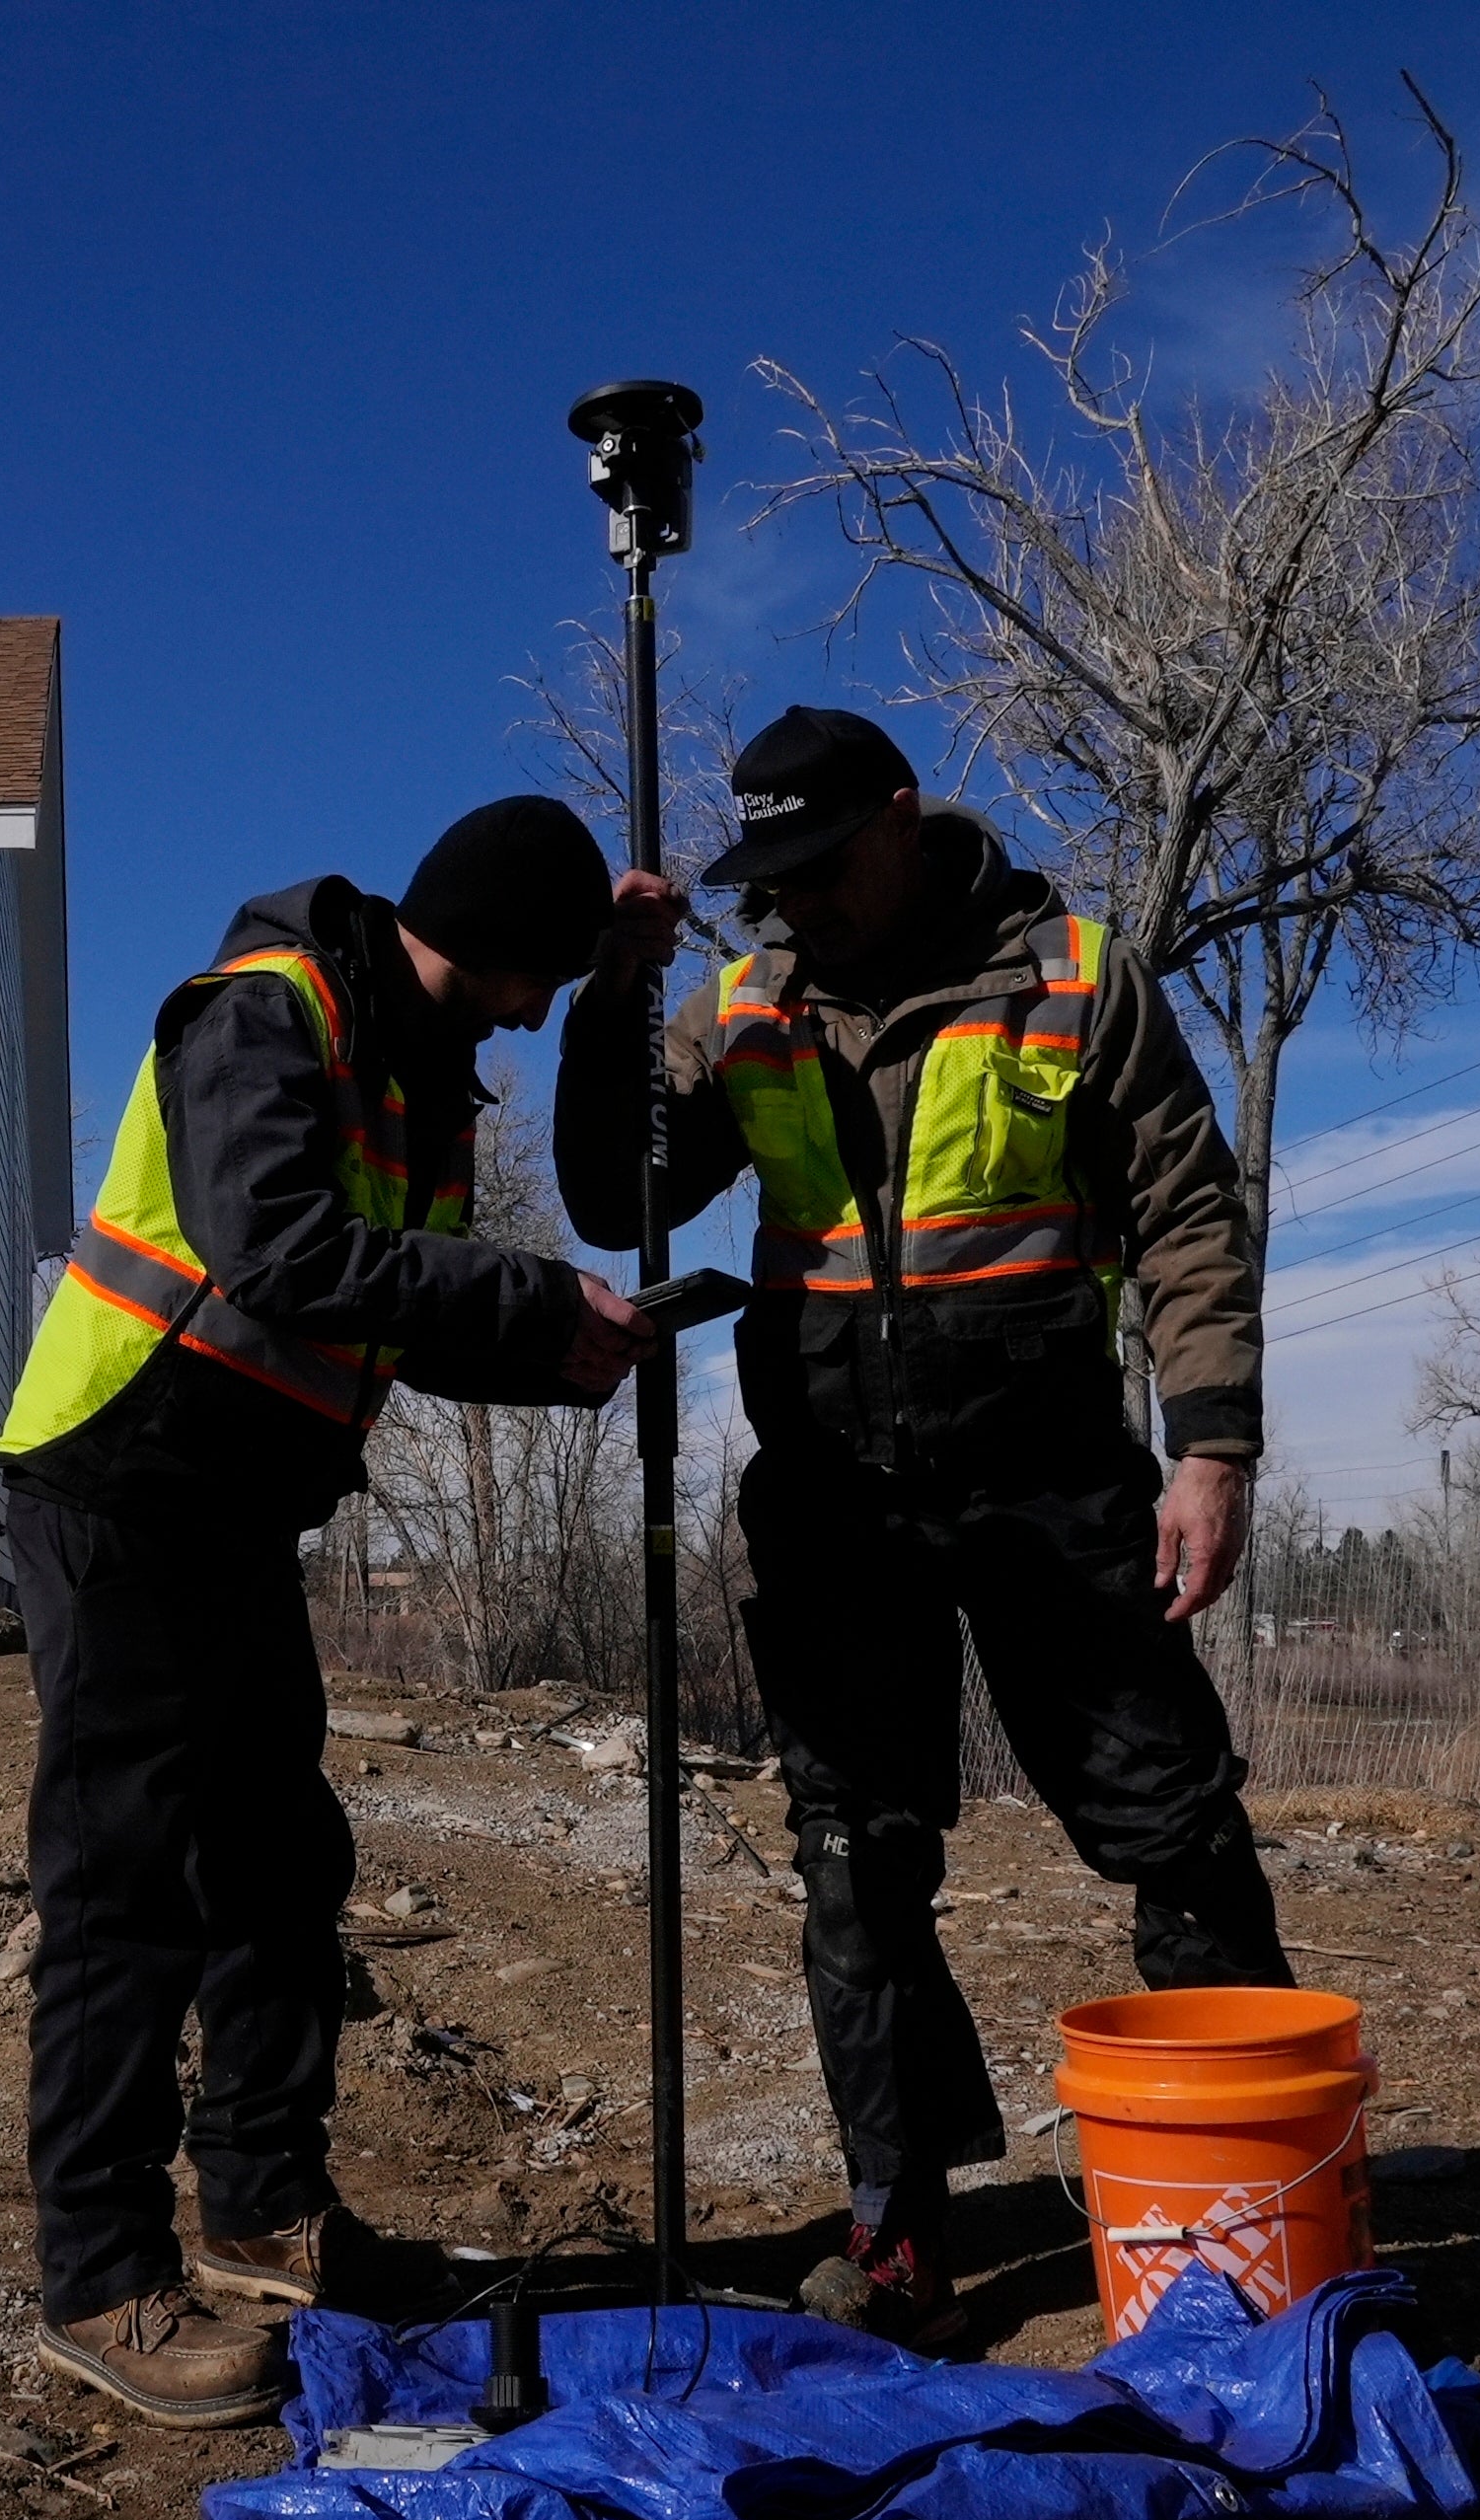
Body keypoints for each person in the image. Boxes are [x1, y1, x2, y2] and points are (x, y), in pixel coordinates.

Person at [555, 704, 1287, 2343]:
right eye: (769, 877)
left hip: (1052, 1487)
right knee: (853, 1861)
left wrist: (1212, 1448)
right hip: (833, 1499)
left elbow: (1182, 1209)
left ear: (900, 817)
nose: (791, 903)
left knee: (1174, 1828)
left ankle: (1245, 2196)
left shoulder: (1073, 975)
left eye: (817, 865)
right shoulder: (740, 1003)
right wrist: (610, 998)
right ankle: (900, 2225)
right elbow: (623, 1195)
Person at [0, 795, 662, 2428]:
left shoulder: (410, 1070)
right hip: (123, 1477)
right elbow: (284, 1255)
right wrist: (518, 1293)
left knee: (281, 1863)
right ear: (495, 945)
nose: (536, 1013)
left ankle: (262, 2211)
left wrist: (556, 1351)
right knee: (127, 1885)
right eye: (543, 984)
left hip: (227, 1505)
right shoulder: (266, 1013)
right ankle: (98, 2278)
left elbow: (396, 1315)